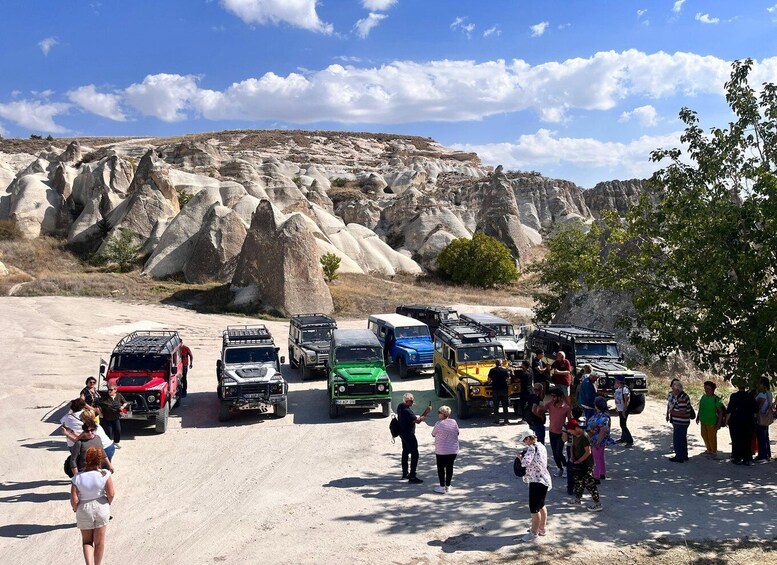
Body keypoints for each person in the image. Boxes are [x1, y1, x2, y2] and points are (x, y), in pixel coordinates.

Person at [71, 447, 115, 565]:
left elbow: (74, 499)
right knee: (99, 542)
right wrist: (107, 502)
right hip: (101, 506)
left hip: (84, 508)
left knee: (87, 541)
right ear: (100, 460)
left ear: (86, 459)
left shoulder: (77, 477)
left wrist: (76, 509)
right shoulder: (105, 474)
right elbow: (111, 493)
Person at [516, 429, 552, 542]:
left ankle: (533, 533)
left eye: (524, 440)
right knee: (541, 505)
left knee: (534, 509)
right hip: (544, 479)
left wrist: (520, 458)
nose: (524, 443)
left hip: (535, 481)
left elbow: (525, 463)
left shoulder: (531, 448)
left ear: (528, 438)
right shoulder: (541, 446)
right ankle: (542, 529)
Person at [568, 419, 602, 511]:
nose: (571, 433)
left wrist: (579, 461)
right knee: (578, 482)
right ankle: (577, 500)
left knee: (589, 483)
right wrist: (572, 457)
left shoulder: (584, 436)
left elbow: (588, 452)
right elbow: (572, 446)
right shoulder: (574, 435)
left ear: (576, 428)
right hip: (578, 463)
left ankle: (597, 504)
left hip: (586, 464)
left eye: (571, 431)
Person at [397, 393, 430, 483]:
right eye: (411, 401)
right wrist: (426, 412)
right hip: (409, 435)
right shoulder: (407, 411)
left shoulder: (400, 406)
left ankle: (405, 473)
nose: (412, 402)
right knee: (415, 454)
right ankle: (412, 476)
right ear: (406, 401)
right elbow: (418, 421)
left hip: (402, 433)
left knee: (405, 452)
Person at [726, 378, 757, 465]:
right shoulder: (750, 396)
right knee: (747, 440)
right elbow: (756, 410)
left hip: (736, 422)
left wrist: (726, 421)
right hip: (748, 422)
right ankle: (747, 458)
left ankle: (737, 457)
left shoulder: (734, 396)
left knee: (736, 440)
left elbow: (730, 410)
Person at [431, 405, 459, 493]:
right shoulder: (454, 422)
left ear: (442, 414)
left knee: (441, 468)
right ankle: (448, 485)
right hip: (453, 450)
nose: (438, 414)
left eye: (439, 413)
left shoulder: (438, 424)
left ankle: (442, 486)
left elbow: (433, 434)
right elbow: (457, 432)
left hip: (441, 451)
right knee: (450, 467)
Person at [545, 388, 571, 478]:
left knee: (559, 452)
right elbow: (542, 408)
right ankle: (559, 468)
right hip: (552, 432)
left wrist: (569, 431)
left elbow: (570, 420)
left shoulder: (566, 407)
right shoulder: (550, 404)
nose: (553, 398)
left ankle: (565, 467)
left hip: (561, 433)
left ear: (560, 397)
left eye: (554, 396)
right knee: (554, 452)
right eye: (552, 396)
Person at [696, 380, 725, 458]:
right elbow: (701, 407)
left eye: (708, 388)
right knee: (704, 435)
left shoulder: (717, 399)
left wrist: (719, 423)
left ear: (712, 389)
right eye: (705, 388)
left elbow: (721, 412)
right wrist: (698, 416)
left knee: (712, 437)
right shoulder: (703, 397)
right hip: (703, 420)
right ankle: (708, 449)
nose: (706, 390)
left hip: (712, 421)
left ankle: (713, 451)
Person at [588, 397, 614, 480]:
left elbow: (602, 430)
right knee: (601, 457)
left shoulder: (597, 417)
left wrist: (598, 442)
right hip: (604, 440)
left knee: (596, 459)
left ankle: (596, 476)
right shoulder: (606, 415)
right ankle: (602, 473)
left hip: (596, 440)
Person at [562, 405, 586, 495]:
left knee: (571, 466)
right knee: (580, 466)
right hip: (581, 447)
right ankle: (579, 486)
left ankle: (570, 488)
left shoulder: (566, 425)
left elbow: (564, 439)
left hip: (570, 446)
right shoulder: (583, 424)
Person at [668, 380, 692, 462]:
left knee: (678, 439)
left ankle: (679, 457)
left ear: (677, 389)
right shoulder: (680, 396)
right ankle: (684, 455)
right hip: (681, 422)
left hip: (681, 422)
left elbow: (682, 411)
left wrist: (672, 412)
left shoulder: (681, 397)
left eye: (673, 389)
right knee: (682, 439)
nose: (672, 391)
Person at [755, 377, 773, 462]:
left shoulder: (762, 394)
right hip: (766, 416)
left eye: (760, 383)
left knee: (761, 436)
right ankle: (767, 454)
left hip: (761, 416)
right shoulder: (769, 393)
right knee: (766, 436)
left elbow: (759, 405)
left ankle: (762, 455)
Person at [487, 359, 511, 425]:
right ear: (501, 364)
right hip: (504, 389)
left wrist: (490, 382)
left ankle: (496, 421)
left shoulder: (492, 370)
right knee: (505, 406)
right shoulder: (505, 370)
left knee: (496, 406)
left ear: (495, 364)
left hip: (495, 389)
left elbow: (489, 380)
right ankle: (506, 420)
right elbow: (509, 380)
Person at [613, 375, 633, 446]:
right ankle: (623, 438)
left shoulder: (625, 389)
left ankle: (630, 440)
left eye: (616, 380)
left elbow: (626, 401)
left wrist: (624, 410)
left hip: (624, 409)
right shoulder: (618, 389)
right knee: (622, 424)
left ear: (619, 381)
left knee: (623, 425)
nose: (615, 381)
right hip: (620, 409)